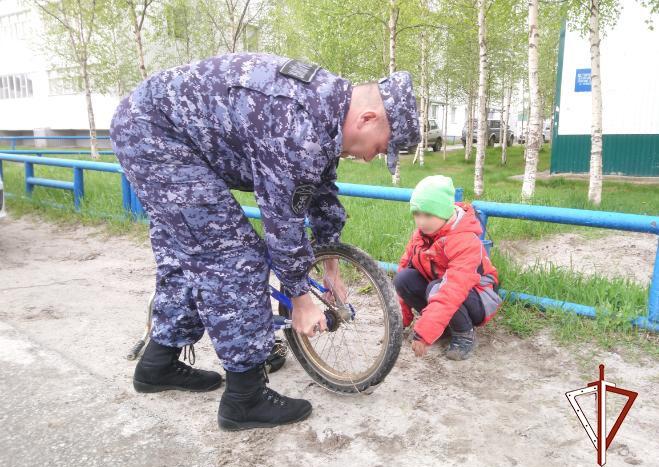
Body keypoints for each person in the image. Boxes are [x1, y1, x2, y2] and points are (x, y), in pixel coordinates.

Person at [110, 53, 420, 431]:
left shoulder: (326, 108)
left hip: (156, 126)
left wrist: (331, 266)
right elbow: (282, 221)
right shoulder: (297, 123)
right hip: (155, 135)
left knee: (186, 252)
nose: (373, 157)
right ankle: (245, 398)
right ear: (367, 119)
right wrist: (301, 300)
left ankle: (157, 364)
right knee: (233, 257)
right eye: (382, 147)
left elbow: (320, 191)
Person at [394, 175, 502, 361]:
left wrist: (424, 332)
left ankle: (464, 333)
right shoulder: (420, 236)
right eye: (417, 214)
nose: (421, 222)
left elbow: (453, 288)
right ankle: (442, 327)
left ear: (444, 212)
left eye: (428, 215)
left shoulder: (464, 240)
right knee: (403, 279)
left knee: (437, 288)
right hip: (440, 290)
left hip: (478, 297)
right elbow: (404, 268)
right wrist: (400, 320)